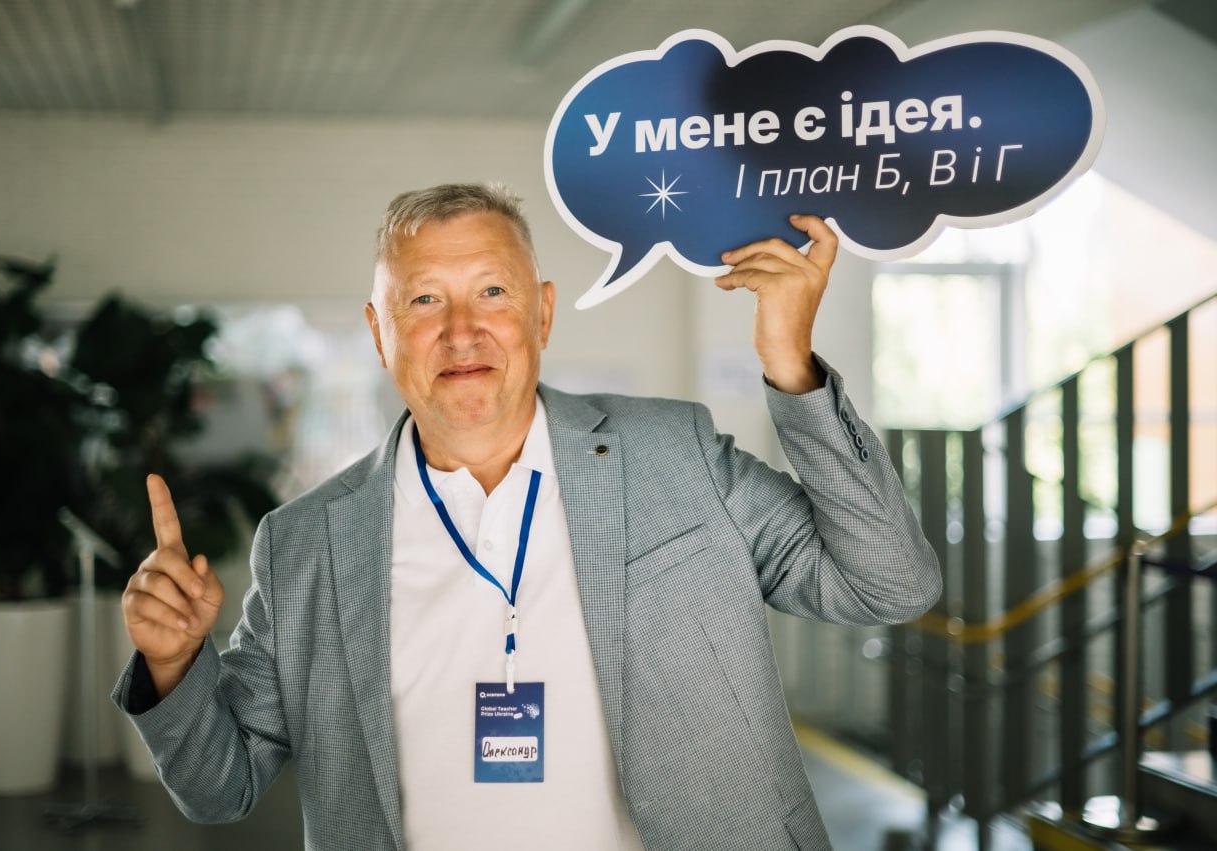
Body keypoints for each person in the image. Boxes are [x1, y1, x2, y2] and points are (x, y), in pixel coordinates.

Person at [114, 182, 941, 851]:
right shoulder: (304, 545)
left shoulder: (674, 456)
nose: (462, 330)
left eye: (493, 291)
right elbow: (219, 788)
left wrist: (791, 365)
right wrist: (173, 666)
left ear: (542, 312)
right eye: (424, 299)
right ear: (379, 331)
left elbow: (890, 584)